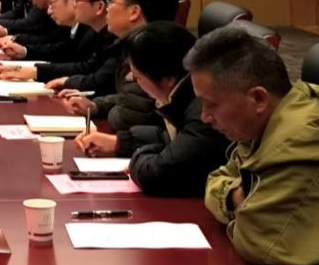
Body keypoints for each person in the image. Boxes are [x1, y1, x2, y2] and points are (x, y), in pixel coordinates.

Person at [189, 27, 319, 265]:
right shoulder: (273, 117)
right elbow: (217, 178)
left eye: (211, 105)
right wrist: (237, 198)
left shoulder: (297, 145)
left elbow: (256, 242)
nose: (204, 117)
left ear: (258, 98)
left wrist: (235, 206)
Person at [73, 21, 229, 196]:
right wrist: (120, 142)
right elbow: (174, 140)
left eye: (138, 77)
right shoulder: (184, 97)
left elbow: (157, 174)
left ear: (167, 79)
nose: (134, 80)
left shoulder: (203, 112)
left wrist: (137, 158)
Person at [60, 0, 179, 137]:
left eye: (112, 1)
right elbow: (130, 98)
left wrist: (108, 110)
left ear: (134, 12)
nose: (107, 8)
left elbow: (126, 118)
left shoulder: (151, 53)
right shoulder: (134, 45)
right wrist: (96, 106)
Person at [0, 0, 122, 83]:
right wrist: (26, 55)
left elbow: (96, 76)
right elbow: (65, 53)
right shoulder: (96, 32)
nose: (75, 4)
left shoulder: (112, 37)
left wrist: (37, 72)